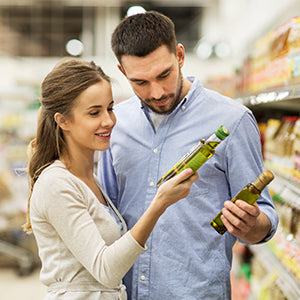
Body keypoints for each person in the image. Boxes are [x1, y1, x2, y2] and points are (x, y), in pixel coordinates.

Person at [97, 11, 279, 299]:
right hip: (124, 292)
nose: (156, 92)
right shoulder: (115, 123)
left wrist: (252, 224)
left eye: (164, 75)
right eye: (140, 82)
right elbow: (104, 214)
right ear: (122, 72)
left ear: (179, 56)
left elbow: (265, 218)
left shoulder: (233, 121)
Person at [23, 58, 198, 300]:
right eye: (94, 112)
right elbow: (106, 270)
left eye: (110, 108)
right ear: (63, 120)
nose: (109, 121)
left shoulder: (89, 178)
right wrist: (159, 204)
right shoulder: (56, 183)